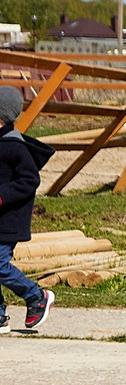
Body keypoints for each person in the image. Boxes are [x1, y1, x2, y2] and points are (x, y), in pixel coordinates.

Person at [0, 86, 59, 333]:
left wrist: (2, 197)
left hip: (8, 220)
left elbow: (29, 181)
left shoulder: (15, 147)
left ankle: (36, 296)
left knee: (0, 265)